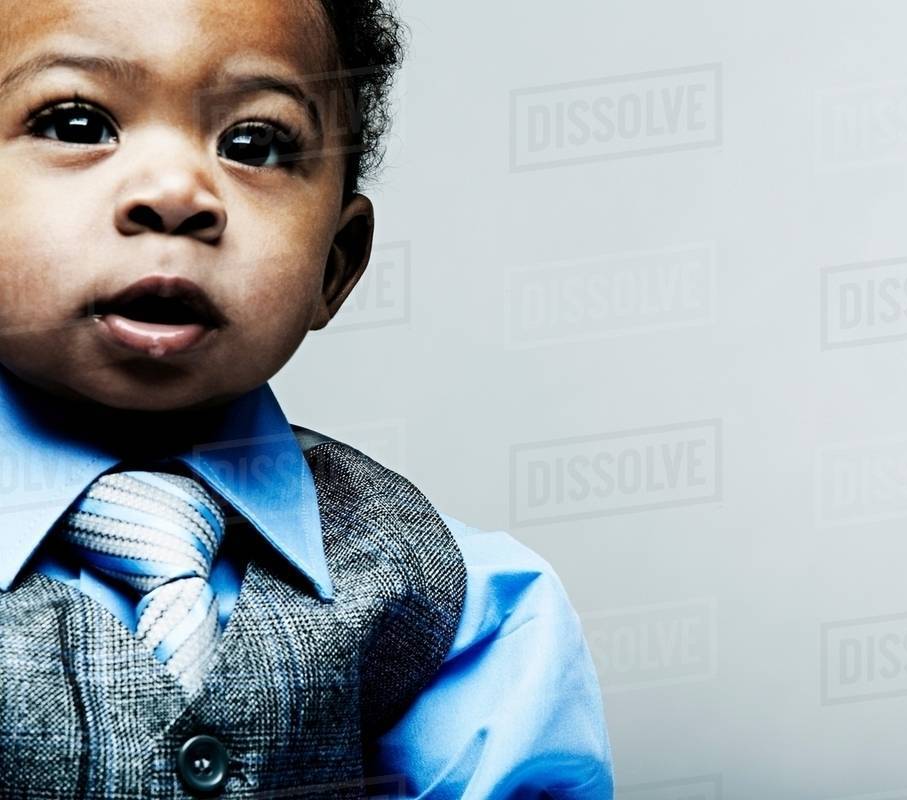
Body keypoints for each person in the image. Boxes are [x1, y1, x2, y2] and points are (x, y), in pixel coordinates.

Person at [0, 0, 613, 797]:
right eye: (77, 124)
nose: (177, 193)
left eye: (254, 144)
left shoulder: (468, 612)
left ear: (337, 264)